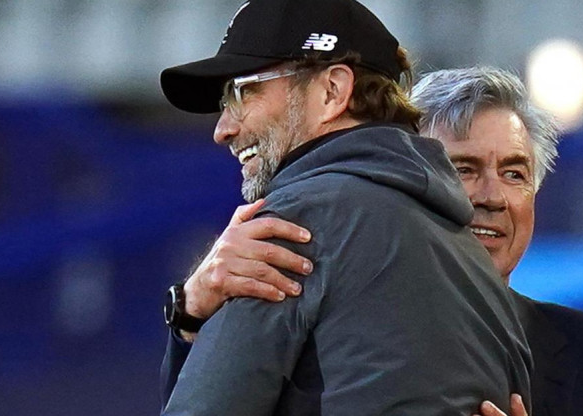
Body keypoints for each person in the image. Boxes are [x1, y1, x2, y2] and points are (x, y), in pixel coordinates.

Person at [164, 65, 583, 416]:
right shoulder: (296, 273)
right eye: (462, 169)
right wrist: (190, 313)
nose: (493, 197)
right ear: (408, 186)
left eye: (514, 173)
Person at [158, 1, 532, 415]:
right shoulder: (475, 263)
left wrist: (187, 317)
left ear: (333, 91)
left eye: (243, 91)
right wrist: (190, 310)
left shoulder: (293, 224)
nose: (223, 129)